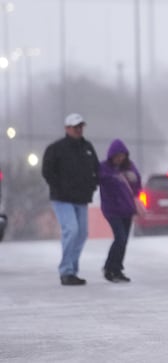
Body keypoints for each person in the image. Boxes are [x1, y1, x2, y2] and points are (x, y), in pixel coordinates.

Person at [42, 113, 100, 285]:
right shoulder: (56, 148)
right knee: (72, 230)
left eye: (81, 126)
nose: (79, 130)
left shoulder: (87, 147)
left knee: (82, 234)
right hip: (62, 198)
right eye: (75, 127)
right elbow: (47, 171)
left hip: (81, 198)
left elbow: (96, 168)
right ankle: (66, 271)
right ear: (67, 128)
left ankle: (72, 269)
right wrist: (58, 187)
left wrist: (93, 183)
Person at [98, 139, 142, 283]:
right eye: (117, 156)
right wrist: (113, 178)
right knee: (120, 238)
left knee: (123, 241)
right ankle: (109, 267)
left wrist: (134, 179)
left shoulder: (130, 167)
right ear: (111, 155)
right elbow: (100, 180)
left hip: (127, 209)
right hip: (112, 209)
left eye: (122, 156)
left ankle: (117, 269)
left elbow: (137, 187)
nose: (119, 158)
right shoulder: (104, 168)